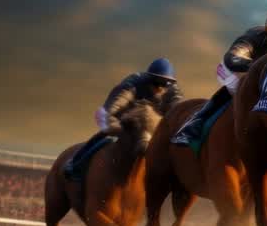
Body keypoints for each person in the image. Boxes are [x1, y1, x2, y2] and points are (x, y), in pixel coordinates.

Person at [171, 11, 267, 145]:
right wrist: (260, 67)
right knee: (242, 86)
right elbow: (232, 59)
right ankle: (194, 124)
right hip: (231, 69)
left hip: (256, 67)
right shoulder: (252, 38)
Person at [65, 58, 181, 199]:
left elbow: (177, 115)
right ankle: (76, 163)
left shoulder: (173, 92)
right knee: (107, 136)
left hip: (153, 127)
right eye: (156, 83)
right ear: (149, 79)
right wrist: (119, 129)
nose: (160, 88)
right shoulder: (132, 85)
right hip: (127, 121)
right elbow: (109, 112)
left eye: (164, 84)